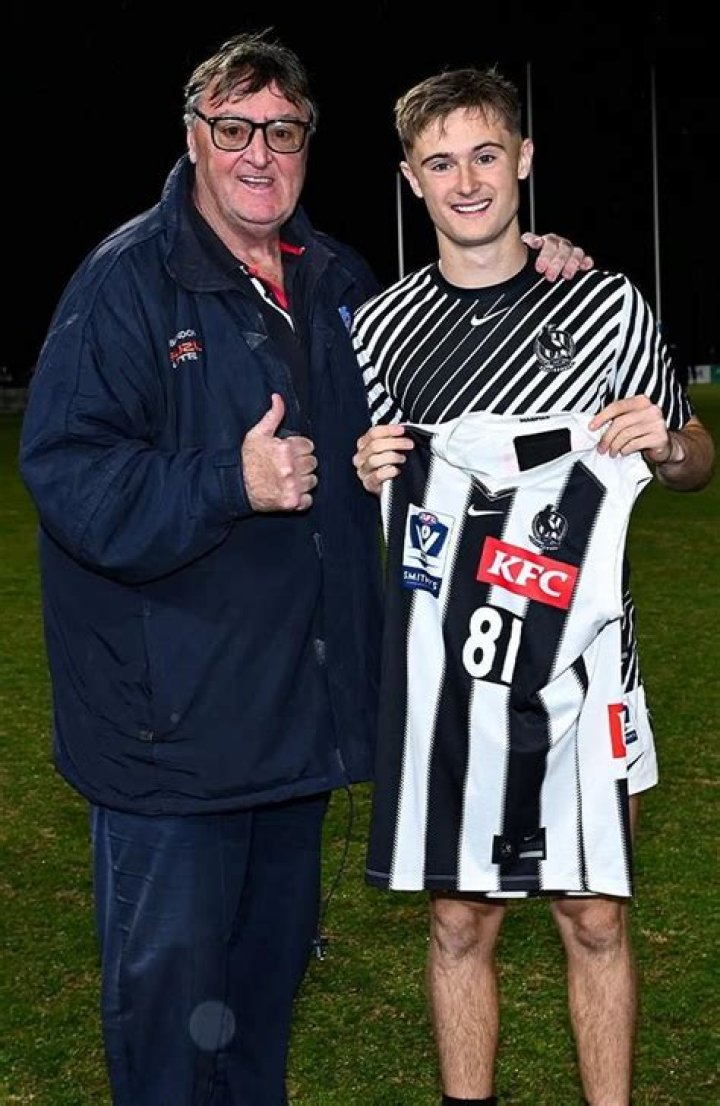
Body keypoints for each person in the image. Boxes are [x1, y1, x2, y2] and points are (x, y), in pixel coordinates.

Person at [18, 29, 595, 1106]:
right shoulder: (128, 280)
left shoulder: (337, 280)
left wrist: (539, 269)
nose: (259, 153)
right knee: (171, 1015)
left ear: (307, 146)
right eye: (234, 128)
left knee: (260, 1001)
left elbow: (443, 395)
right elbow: (68, 476)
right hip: (170, 741)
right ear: (194, 138)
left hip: (291, 730)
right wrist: (225, 480)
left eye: (282, 132)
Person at [352, 66, 715, 1106]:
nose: (466, 181)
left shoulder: (603, 304)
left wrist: (670, 444)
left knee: (594, 915)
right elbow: (375, 496)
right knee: (459, 918)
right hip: (452, 681)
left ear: (522, 160)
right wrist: (369, 467)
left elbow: (696, 461)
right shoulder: (378, 330)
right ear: (411, 181)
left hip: (590, 670)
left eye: (484, 155)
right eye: (440, 163)